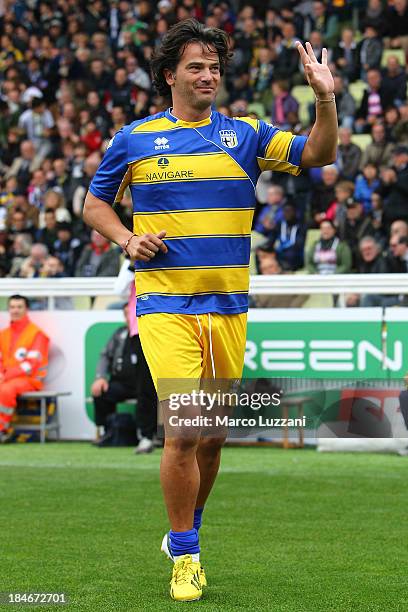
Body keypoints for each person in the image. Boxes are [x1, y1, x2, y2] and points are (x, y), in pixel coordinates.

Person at [83, 18, 337, 602]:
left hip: (228, 307)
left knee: (213, 436)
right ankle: (187, 557)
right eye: (195, 66)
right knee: (184, 429)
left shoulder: (246, 135)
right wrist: (126, 239)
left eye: (214, 67)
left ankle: (185, 531)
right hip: (165, 304)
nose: (208, 75)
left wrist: (323, 96)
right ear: (169, 75)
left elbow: (321, 152)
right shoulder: (135, 138)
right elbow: (94, 204)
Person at [91, 304, 156, 452]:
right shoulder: (119, 334)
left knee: (149, 396)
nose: (129, 317)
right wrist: (100, 377)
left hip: (144, 383)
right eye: (126, 314)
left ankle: (148, 435)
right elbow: (105, 356)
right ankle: (108, 431)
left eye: (131, 313)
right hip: (121, 383)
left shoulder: (149, 335)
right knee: (101, 393)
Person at [0, 295, 49, 441]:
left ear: (26, 309)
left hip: (30, 380)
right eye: (12, 307)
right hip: (6, 379)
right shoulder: (3, 334)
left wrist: (5, 376)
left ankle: (2, 430)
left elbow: (31, 365)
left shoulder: (37, 334)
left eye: (19, 307)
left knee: (5, 390)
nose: (15, 310)